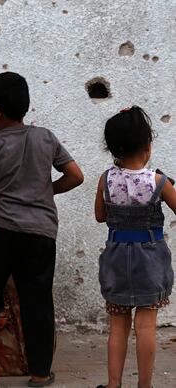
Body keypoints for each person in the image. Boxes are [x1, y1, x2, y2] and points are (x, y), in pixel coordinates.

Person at [0, 72, 84, 387]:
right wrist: (45, 191)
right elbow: (76, 175)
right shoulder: (46, 137)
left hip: (1, 228)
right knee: (38, 301)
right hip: (41, 232)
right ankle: (40, 372)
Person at [94, 106, 174, 388]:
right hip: (149, 260)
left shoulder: (106, 179)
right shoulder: (158, 182)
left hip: (116, 258)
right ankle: (144, 385)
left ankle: (114, 384)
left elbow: (100, 216)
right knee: (146, 325)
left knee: (117, 325)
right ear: (147, 146)